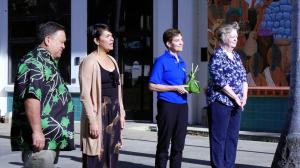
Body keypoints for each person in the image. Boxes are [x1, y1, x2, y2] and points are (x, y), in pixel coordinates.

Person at [10, 21, 75, 168]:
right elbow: (31, 97)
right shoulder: (34, 61)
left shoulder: (48, 62)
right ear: (48, 40)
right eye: (62, 42)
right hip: (42, 140)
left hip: (50, 138)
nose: (64, 46)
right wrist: (37, 132)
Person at [79, 23, 126, 168]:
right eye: (107, 36)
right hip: (98, 114)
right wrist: (92, 121)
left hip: (114, 113)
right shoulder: (89, 61)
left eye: (112, 36)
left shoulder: (113, 61)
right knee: (96, 156)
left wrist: (122, 112)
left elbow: (118, 89)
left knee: (112, 154)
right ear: (96, 40)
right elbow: (85, 95)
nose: (112, 39)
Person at [207, 21, 248, 168]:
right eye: (233, 37)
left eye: (236, 36)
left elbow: (244, 77)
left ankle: (229, 165)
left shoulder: (236, 56)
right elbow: (220, 81)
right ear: (224, 38)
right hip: (220, 102)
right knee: (219, 138)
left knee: (232, 138)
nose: (236, 39)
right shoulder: (217, 56)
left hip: (237, 103)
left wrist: (244, 96)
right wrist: (236, 97)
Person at [149, 28, 188, 168]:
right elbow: (152, 86)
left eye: (181, 39)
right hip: (167, 105)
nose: (181, 42)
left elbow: (183, 84)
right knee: (164, 143)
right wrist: (175, 88)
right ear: (168, 44)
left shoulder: (182, 62)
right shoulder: (162, 61)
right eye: (177, 40)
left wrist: (190, 87)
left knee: (179, 144)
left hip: (183, 105)